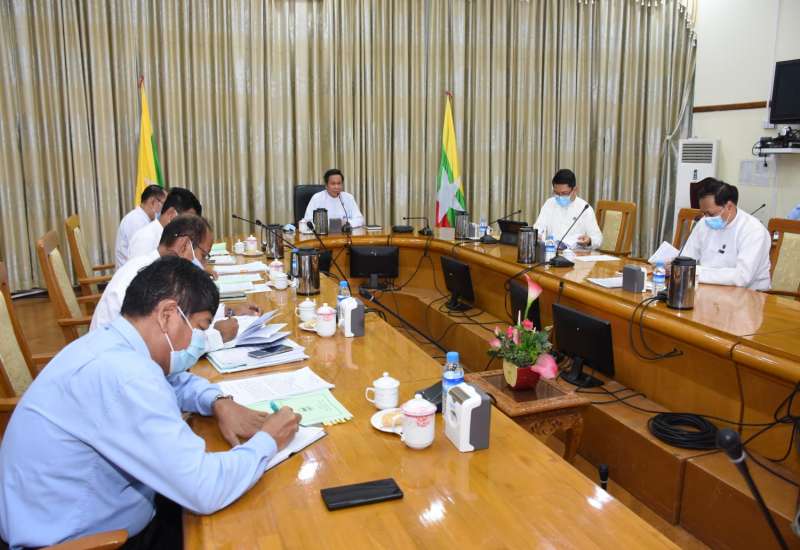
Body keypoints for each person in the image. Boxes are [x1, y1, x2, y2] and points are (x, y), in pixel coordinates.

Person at [0, 257, 301, 549]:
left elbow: (171, 381)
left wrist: (217, 401)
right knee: (252, 529)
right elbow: (205, 487)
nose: (196, 341)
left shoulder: (111, 344)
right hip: (85, 540)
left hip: (84, 512)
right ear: (167, 314)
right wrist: (269, 439)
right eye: (199, 328)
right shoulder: (128, 376)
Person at [91, 214, 257, 349]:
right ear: (184, 245)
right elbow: (166, 347)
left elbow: (184, 312)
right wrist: (217, 336)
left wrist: (228, 311)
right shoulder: (145, 277)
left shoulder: (160, 269)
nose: (204, 265)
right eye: (203, 256)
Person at [681, 178, 771, 290]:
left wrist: (696, 272)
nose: (706, 218)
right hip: (708, 288)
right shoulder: (704, 223)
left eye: (711, 214)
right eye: (704, 213)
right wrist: (676, 265)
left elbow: (742, 277)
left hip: (749, 293)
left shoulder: (753, 230)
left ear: (729, 206)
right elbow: (686, 258)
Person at [533, 169, 603, 249]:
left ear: (575, 190)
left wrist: (589, 241)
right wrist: (538, 235)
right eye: (556, 193)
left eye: (564, 193)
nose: (560, 197)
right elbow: (538, 228)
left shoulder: (585, 208)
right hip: (551, 252)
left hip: (575, 254)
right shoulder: (549, 203)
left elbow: (598, 239)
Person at [127, 187, 203, 260]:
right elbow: (139, 268)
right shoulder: (146, 238)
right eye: (187, 221)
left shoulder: (173, 238)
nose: (189, 227)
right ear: (171, 214)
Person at [115, 185, 167, 267]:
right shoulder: (135, 220)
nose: (165, 209)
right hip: (132, 271)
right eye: (164, 204)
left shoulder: (145, 219)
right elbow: (142, 258)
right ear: (153, 202)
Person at [299, 168, 365, 233]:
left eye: (339, 183)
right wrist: (336, 224)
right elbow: (307, 221)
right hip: (323, 235)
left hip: (345, 235)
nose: (336, 187)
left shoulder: (348, 197)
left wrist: (347, 223)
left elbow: (360, 219)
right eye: (333, 184)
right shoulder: (317, 198)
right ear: (326, 185)